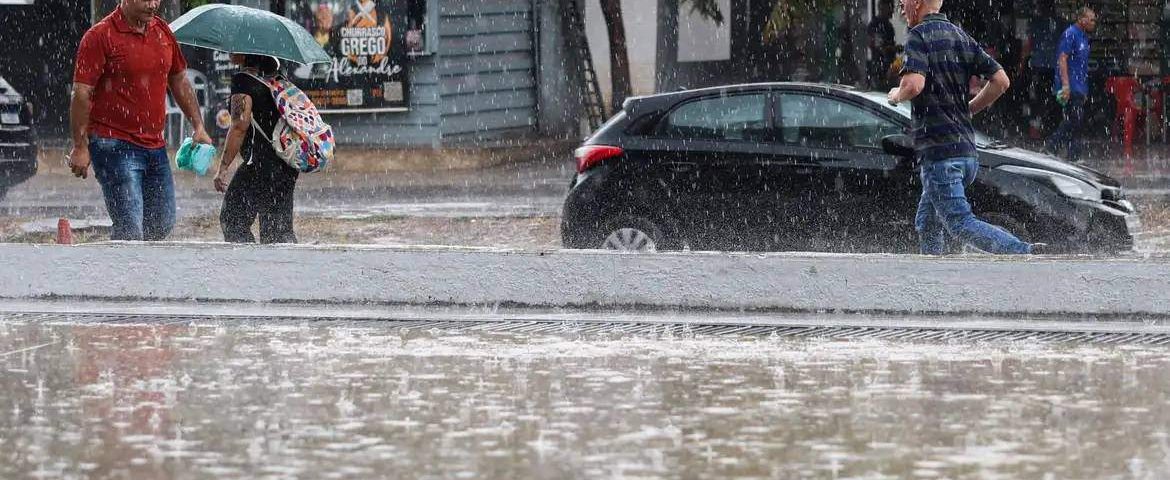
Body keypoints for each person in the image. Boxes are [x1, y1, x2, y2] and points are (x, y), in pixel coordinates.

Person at [887, 0, 1038, 255]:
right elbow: (1000, 81)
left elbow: (913, 85)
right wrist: (968, 109)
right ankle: (933, 274)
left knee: (959, 223)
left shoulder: (918, 36)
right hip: (966, 154)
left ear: (919, 2)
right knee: (927, 221)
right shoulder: (958, 34)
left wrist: (895, 95)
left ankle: (1024, 252)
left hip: (940, 154)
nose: (901, 4)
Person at [69, 0, 212, 241]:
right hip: (112, 143)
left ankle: (138, 272)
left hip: (154, 146)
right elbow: (81, 93)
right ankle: (124, 270)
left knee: (161, 223)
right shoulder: (100, 36)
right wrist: (80, 146)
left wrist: (198, 125)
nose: (153, 4)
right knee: (130, 229)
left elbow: (179, 80)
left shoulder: (163, 31)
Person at [213, 54, 299, 244]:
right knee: (278, 231)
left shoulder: (243, 81)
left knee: (233, 220)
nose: (230, 51)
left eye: (234, 48)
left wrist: (223, 168)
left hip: (260, 164)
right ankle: (289, 270)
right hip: (287, 162)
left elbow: (238, 127)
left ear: (245, 53)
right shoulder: (277, 76)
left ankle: (250, 270)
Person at [1045, 7, 1097, 163]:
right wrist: (1066, 85)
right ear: (1082, 19)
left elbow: (1082, 65)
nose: (1094, 23)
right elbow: (1062, 59)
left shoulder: (1083, 37)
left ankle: (1072, 155)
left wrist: (1084, 89)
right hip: (1071, 85)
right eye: (1091, 19)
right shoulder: (1070, 34)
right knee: (1074, 119)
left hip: (1079, 86)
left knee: (1076, 121)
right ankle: (1052, 147)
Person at [1018, 1, 1063, 138]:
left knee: (1038, 98)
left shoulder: (1035, 22)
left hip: (1039, 65)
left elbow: (1027, 45)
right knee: (1055, 98)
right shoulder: (1061, 23)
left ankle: (1036, 129)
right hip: (1055, 67)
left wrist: (1021, 64)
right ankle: (1050, 127)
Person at [867, 1, 898, 89]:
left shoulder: (889, 26)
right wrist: (892, 48)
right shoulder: (875, 24)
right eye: (890, 7)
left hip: (888, 67)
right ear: (882, 7)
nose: (892, 11)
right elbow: (877, 46)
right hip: (879, 68)